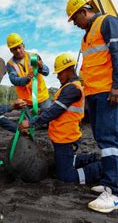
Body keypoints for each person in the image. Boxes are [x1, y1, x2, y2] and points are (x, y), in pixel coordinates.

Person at [66, 0, 118, 213]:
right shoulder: (87, 37)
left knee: (109, 139)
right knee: (103, 139)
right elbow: (88, 68)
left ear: (84, 11)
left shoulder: (108, 22)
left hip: (108, 91)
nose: (75, 23)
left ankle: (116, 193)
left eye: (75, 18)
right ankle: (115, 180)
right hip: (95, 93)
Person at [19, 53, 102, 185]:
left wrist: (31, 123)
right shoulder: (68, 88)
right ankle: (94, 158)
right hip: (62, 137)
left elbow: (55, 111)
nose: (57, 76)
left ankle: (102, 168)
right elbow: (58, 110)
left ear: (68, 70)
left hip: (66, 138)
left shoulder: (72, 89)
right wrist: (43, 111)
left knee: (66, 177)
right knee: (64, 162)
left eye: (59, 73)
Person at [6, 33, 52, 110]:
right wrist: (26, 79)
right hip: (25, 101)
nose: (18, 50)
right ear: (11, 50)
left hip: (41, 97)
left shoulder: (33, 57)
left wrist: (41, 67)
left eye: (19, 47)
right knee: (26, 122)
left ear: (23, 46)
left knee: (50, 119)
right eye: (14, 49)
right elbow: (13, 80)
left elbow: (46, 72)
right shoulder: (10, 64)